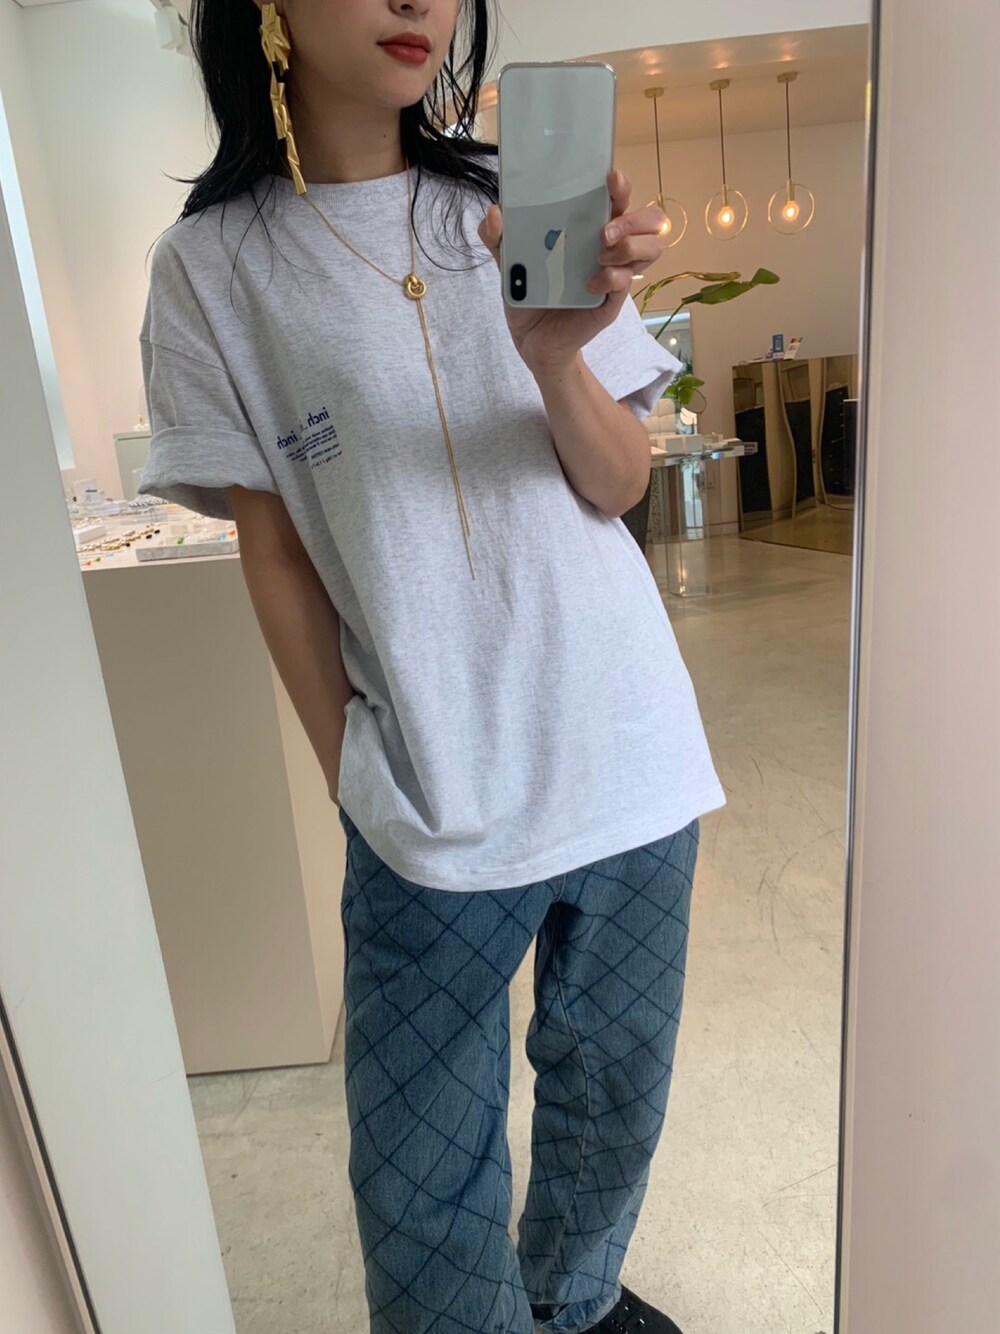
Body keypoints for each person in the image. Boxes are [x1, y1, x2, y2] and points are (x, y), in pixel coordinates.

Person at [137, 1, 725, 1330]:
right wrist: (351, 770)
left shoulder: (514, 200)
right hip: (428, 793)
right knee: (420, 1183)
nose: (418, 2)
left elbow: (620, 482)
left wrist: (555, 360)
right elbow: (276, 551)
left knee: (612, 1102)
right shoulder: (212, 268)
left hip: (629, 752)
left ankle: (574, 1305)